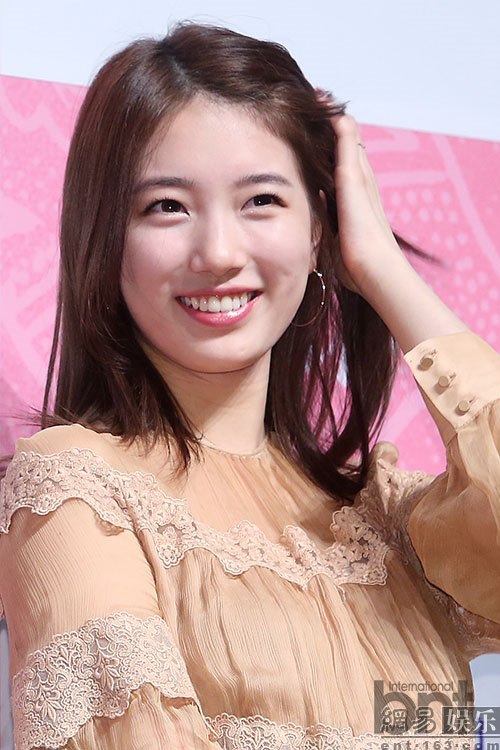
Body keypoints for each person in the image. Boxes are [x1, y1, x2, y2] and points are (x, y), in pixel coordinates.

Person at [0, 20, 499, 750]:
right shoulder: (74, 491)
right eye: (167, 206)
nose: (218, 253)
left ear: (319, 227)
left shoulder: (389, 520)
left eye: (261, 200)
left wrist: (381, 267)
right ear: (105, 238)